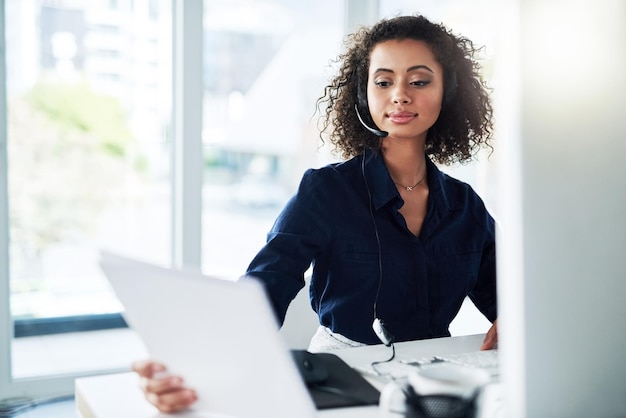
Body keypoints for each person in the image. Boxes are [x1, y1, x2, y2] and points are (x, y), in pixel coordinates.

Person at [133, 14, 498, 413]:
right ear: (364, 96)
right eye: (383, 81)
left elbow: (512, 299)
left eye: (419, 80)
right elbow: (262, 288)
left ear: (448, 92)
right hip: (342, 377)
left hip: (434, 384)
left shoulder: (465, 206)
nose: (399, 94)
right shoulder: (325, 192)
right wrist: (196, 367)